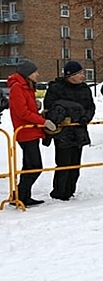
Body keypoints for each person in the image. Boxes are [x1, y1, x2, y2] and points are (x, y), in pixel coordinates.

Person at [7, 59, 57, 206]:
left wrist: (37, 105)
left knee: (29, 166)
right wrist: (44, 122)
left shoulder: (27, 87)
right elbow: (22, 112)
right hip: (25, 132)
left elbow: (27, 108)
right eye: (35, 72)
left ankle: (22, 195)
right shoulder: (18, 87)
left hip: (31, 131)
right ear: (27, 74)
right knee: (35, 166)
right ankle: (21, 194)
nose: (37, 74)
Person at [43, 61, 95, 201]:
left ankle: (70, 190)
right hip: (63, 132)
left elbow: (91, 107)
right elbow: (50, 108)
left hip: (79, 130)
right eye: (80, 73)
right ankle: (60, 192)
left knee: (75, 164)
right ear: (70, 75)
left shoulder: (85, 89)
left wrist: (86, 118)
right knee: (63, 163)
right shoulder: (56, 88)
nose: (83, 76)